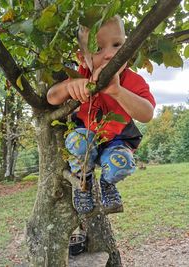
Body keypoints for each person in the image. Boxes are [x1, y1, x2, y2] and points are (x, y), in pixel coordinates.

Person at [47, 15, 156, 214]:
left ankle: (107, 183)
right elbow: (52, 98)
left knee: (121, 164)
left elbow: (147, 113)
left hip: (117, 140)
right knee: (78, 141)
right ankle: (84, 182)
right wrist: (70, 85)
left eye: (117, 45)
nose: (109, 55)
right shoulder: (81, 75)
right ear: (82, 57)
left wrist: (118, 91)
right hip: (87, 139)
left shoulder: (132, 80)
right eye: (98, 49)